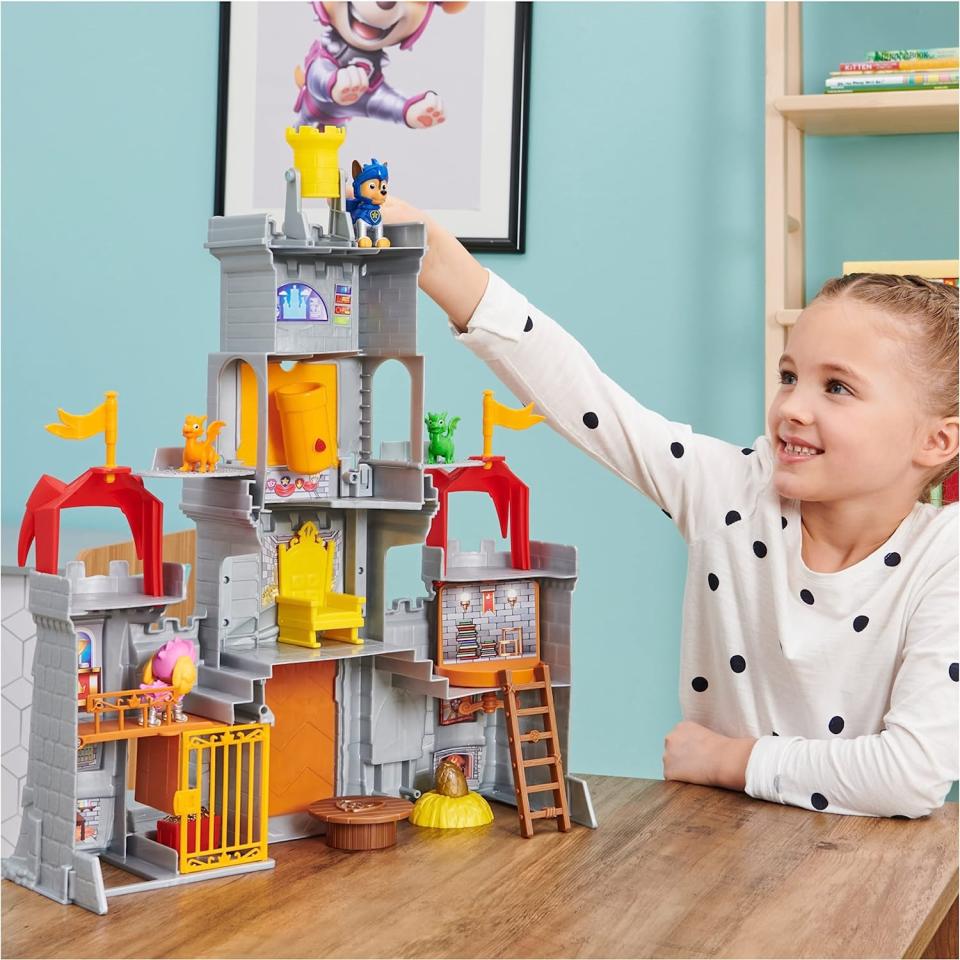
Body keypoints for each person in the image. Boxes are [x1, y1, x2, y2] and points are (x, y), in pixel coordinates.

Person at [382, 197, 959, 818]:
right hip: (712, 846)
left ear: (935, 441)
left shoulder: (944, 559)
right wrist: (437, 258)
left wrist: (726, 760)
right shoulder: (733, 492)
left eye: (837, 387)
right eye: (789, 375)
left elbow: (910, 775)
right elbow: (585, 397)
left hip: (867, 880)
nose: (793, 406)